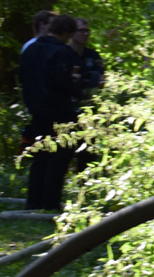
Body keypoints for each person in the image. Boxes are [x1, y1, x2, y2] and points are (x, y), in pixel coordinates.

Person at [19, 14, 83, 211]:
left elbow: (22, 78)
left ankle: (34, 201)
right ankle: (50, 202)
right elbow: (62, 83)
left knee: (40, 155)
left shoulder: (30, 49)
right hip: (59, 111)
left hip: (36, 109)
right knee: (60, 156)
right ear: (66, 33)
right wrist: (77, 84)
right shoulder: (61, 52)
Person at [66, 17, 107, 172]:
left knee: (88, 151)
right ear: (71, 33)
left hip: (89, 110)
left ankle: (86, 185)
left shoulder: (93, 55)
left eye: (87, 31)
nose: (85, 34)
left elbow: (102, 80)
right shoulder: (64, 53)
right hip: (67, 109)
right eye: (81, 30)